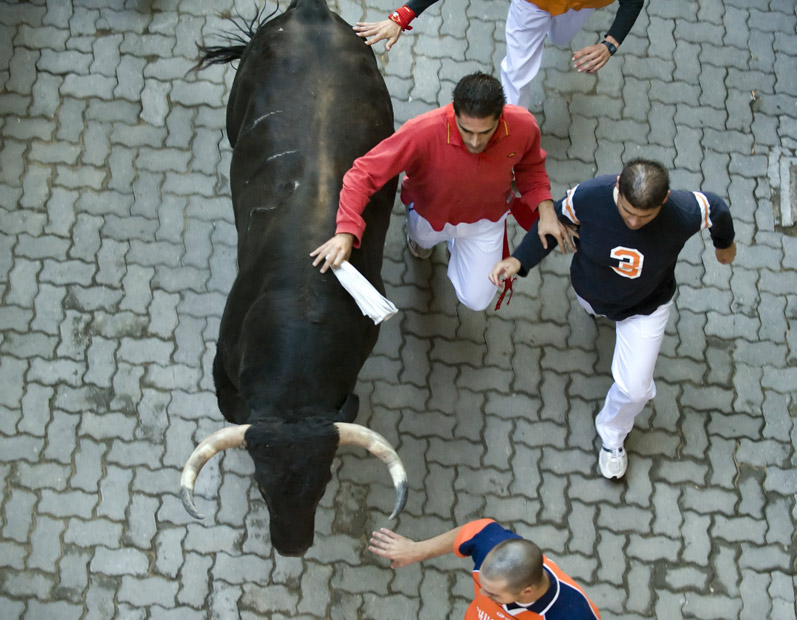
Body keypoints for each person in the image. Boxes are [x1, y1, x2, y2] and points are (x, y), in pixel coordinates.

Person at [489, 159, 737, 480]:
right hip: (591, 293)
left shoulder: (683, 211)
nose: (633, 222)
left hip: (646, 305)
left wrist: (724, 244)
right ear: (618, 186)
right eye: (626, 211)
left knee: (636, 390)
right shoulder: (589, 196)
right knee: (593, 309)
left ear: (664, 200)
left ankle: (612, 435)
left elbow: (715, 208)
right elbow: (551, 223)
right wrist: (519, 260)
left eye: (644, 216)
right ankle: (596, 313)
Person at [311, 72, 571, 312]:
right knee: (421, 243)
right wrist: (346, 231)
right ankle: (430, 241)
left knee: (477, 300)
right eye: (466, 130)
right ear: (454, 112)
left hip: (486, 221)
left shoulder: (524, 126)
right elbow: (363, 173)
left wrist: (547, 212)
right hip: (429, 216)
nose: (475, 142)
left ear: (500, 117)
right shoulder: (422, 131)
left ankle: (455, 247)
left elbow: (531, 168)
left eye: (485, 132)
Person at [354, 1, 644, 109]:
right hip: (532, 4)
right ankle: (512, 144)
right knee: (517, 74)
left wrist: (609, 44)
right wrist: (402, 16)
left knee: (559, 37)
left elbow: (633, 1)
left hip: (583, 5)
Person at [369, 518, 601, 619]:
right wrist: (416, 550)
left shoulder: (575, 615)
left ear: (527, 591)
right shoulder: (492, 545)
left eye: (493, 594)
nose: (481, 593)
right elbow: (475, 530)